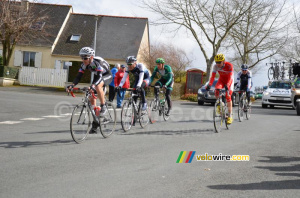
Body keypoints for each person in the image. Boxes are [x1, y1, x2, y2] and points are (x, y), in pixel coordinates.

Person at [66, 47, 112, 133]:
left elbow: (99, 77)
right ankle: (96, 122)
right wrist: (72, 85)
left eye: (85, 58)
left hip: (106, 75)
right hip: (98, 76)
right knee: (91, 98)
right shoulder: (84, 64)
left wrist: (93, 86)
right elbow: (78, 76)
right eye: (82, 58)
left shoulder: (98, 62)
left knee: (97, 86)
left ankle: (103, 105)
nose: (83, 60)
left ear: (91, 57)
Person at [206, 53, 234, 124]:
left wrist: (227, 85)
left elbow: (230, 78)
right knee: (217, 90)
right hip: (221, 80)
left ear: (223, 61)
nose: (217, 64)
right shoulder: (215, 66)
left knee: (228, 96)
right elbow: (212, 77)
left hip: (229, 81)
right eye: (216, 62)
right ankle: (219, 106)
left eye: (219, 62)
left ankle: (230, 115)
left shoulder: (229, 65)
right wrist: (209, 84)